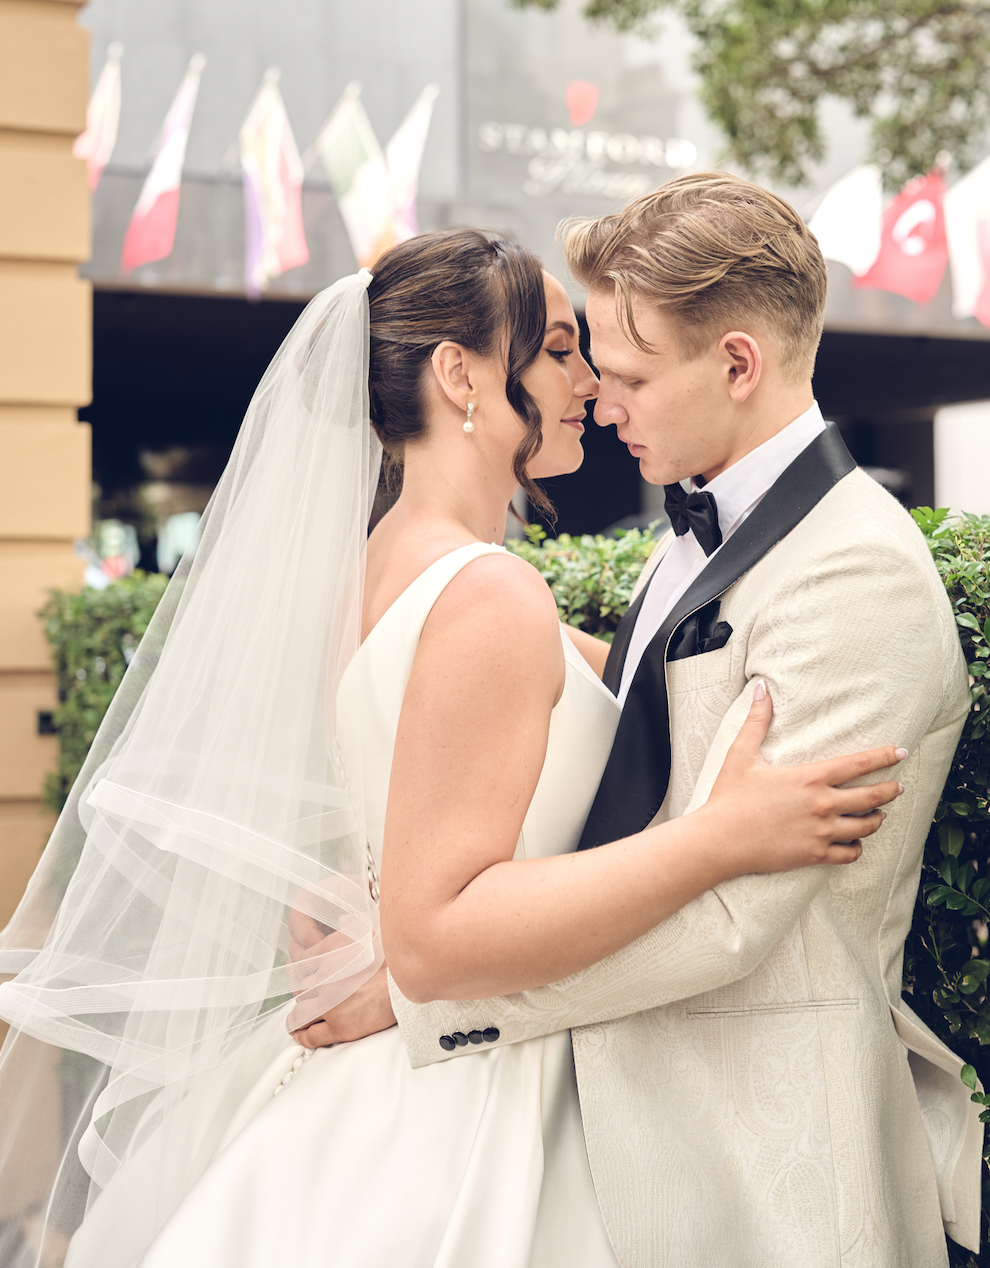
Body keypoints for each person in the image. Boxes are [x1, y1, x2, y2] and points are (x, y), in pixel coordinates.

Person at [0, 229, 903, 1268]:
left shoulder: (382, 568)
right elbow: (434, 934)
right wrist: (722, 837)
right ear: (460, 371)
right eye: (560, 349)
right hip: (473, 1103)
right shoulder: (487, 595)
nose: (589, 382)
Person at [386, 177, 981, 1268]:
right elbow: (657, 729)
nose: (599, 405)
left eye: (629, 377)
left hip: (772, 1166)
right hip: (626, 1138)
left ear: (739, 363)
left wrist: (428, 997)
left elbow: (729, 922)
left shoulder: (859, 573)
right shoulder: (687, 540)